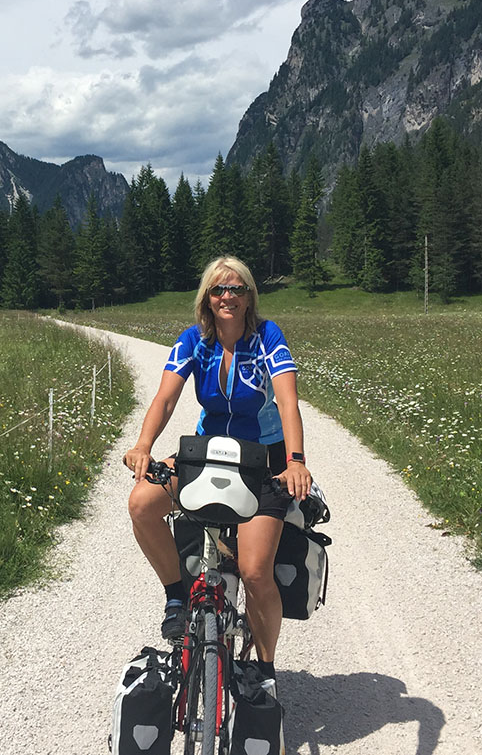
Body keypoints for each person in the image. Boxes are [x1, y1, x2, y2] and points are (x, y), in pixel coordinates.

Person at [122, 255, 310, 686]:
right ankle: (175, 597)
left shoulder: (267, 336)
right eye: (218, 289)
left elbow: (286, 401)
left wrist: (296, 461)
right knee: (142, 504)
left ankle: (264, 670)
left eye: (237, 289)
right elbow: (166, 399)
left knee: (256, 569)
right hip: (206, 453)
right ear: (206, 298)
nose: (228, 296)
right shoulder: (193, 340)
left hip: (262, 461)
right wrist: (143, 447)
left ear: (249, 297)